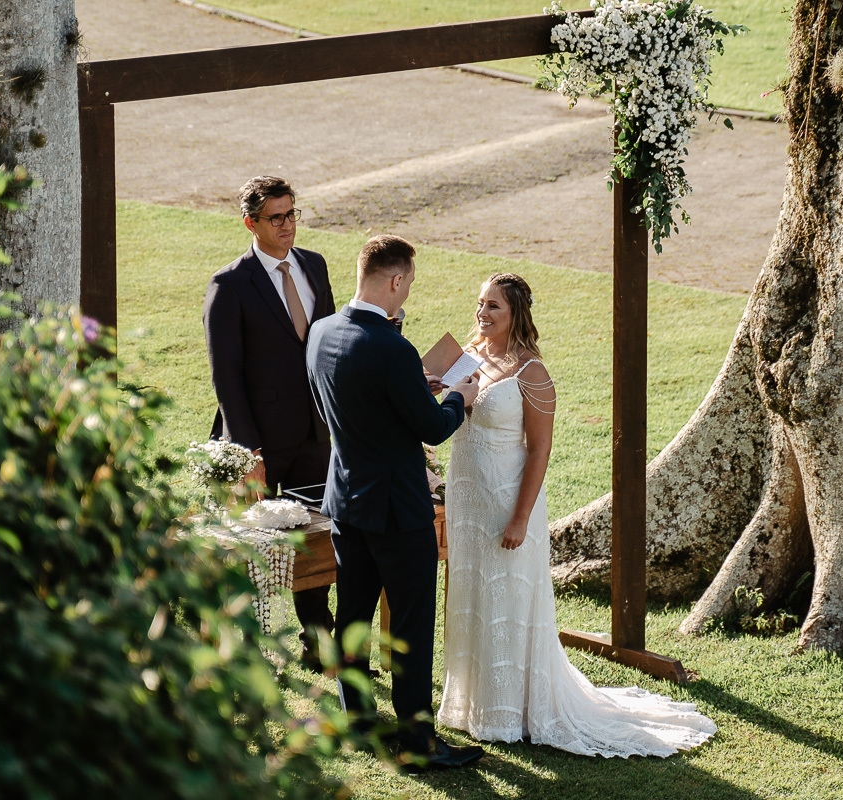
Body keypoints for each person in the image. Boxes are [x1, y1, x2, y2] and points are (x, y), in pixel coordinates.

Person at [437, 273, 718, 757]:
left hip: (507, 501)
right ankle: (470, 705)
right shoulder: (466, 356)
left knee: (507, 601)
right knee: (471, 595)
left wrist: (520, 518)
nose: (482, 313)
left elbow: (540, 450)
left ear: (516, 314)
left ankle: (511, 712)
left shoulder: (532, 373)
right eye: (480, 303)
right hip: (468, 501)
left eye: (494, 306)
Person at [304, 234, 485, 770]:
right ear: (396, 279)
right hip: (398, 511)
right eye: (407, 284)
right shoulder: (393, 349)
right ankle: (417, 740)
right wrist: (459, 397)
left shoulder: (321, 332)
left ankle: (357, 722)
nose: (406, 294)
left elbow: (346, 406)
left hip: (346, 500)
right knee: (410, 625)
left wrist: (411, 389)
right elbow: (433, 428)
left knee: (353, 615)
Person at [203, 175, 335, 669]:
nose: (287, 225)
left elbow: (326, 346)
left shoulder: (315, 265)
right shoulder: (230, 285)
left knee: (316, 544)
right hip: (257, 441)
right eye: (275, 217)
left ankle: (318, 644)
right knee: (248, 548)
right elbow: (226, 377)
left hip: (315, 435)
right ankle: (244, 652)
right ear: (250, 223)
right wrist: (247, 452)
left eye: (291, 213)